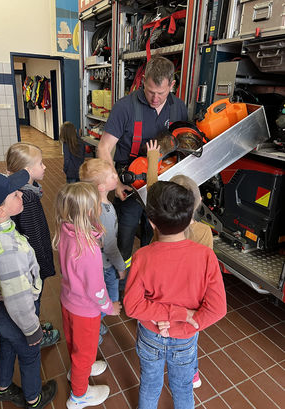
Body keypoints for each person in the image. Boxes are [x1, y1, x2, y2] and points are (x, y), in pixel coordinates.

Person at [124, 181, 227, 409]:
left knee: (150, 385)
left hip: (150, 334)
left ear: (151, 223)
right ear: (191, 217)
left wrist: (165, 316)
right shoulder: (206, 257)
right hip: (185, 336)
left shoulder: (142, 256)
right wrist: (185, 317)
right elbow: (218, 308)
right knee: (183, 387)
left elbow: (132, 306)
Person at [97, 55, 188, 284]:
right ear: (143, 81)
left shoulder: (179, 108)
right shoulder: (124, 107)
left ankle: (147, 281)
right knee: (125, 236)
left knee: (156, 237)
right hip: (130, 186)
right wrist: (116, 182)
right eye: (150, 91)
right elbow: (104, 147)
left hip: (164, 187)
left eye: (161, 93)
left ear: (172, 85)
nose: (155, 98)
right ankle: (120, 284)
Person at [0, 170, 57, 409]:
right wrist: (32, 330)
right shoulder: (7, 253)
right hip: (15, 311)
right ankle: (34, 399)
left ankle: (3, 387)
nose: (21, 194)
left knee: (7, 344)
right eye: (14, 194)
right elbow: (19, 301)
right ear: (1, 211)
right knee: (29, 353)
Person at [53, 182, 122, 409]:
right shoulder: (88, 249)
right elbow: (96, 289)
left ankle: (78, 370)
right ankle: (79, 396)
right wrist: (109, 307)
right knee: (85, 351)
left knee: (75, 343)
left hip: (68, 301)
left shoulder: (66, 230)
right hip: (85, 310)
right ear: (91, 211)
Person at [6, 142, 60, 349]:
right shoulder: (27, 200)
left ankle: (34, 325)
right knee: (32, 300)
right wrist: (43, 265)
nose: (45, 167)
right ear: (27, 171)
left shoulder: (24, 191)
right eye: (41, 163)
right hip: (32, 266)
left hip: (28, 263)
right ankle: (35, 335)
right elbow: (34, 237)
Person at [80, 158, 126, 343]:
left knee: (94, 297)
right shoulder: (104, 212)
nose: (117, 176)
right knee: (110, 300)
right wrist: (121, 268)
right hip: (106, 266)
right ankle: (91, 331)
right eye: (112, 175)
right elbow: (110, 246)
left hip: (92, 263)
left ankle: (95, 325)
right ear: (101, 187)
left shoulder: (89, 206)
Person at [146, 139, 213, 249]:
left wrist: (153, 157)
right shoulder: (204, 231)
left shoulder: (162, 222)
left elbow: (152, 190)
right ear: (199, 200)